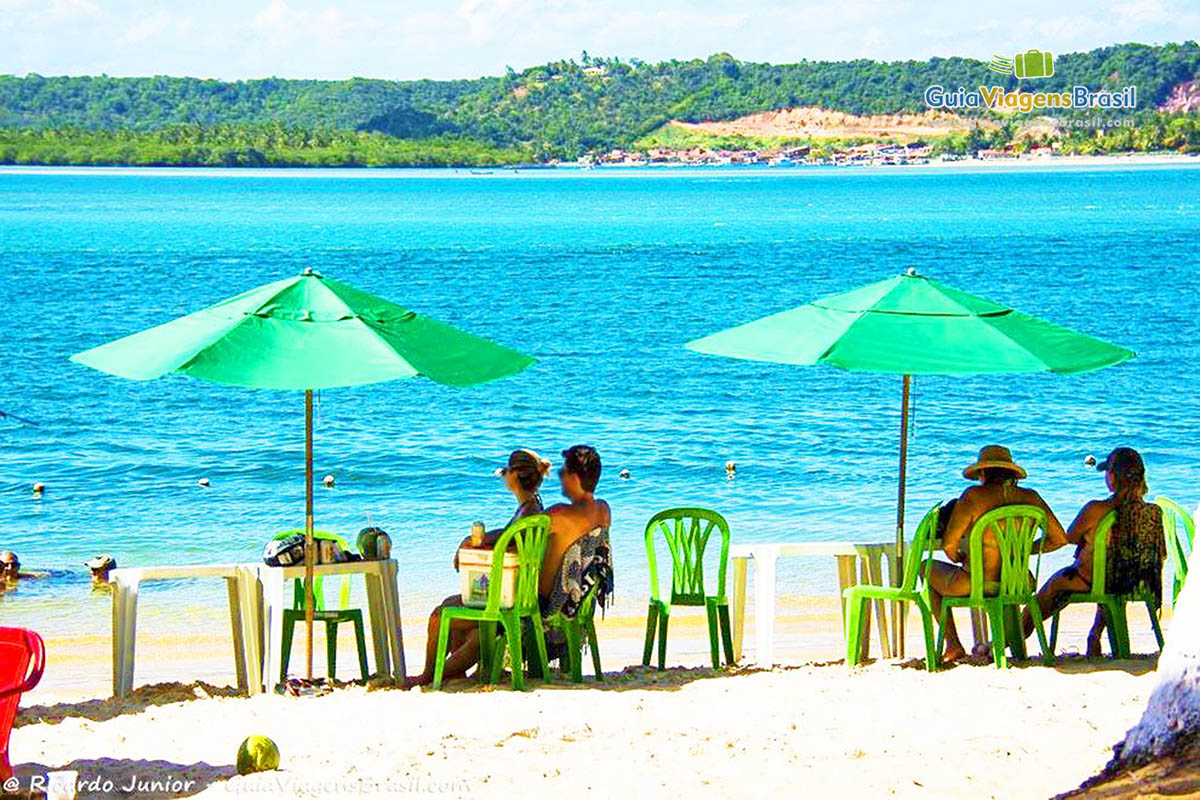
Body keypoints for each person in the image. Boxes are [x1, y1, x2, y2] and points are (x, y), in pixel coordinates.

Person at [408, 448, 551, 688]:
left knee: (438, 616)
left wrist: (471, 548)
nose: (504, 474)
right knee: (452, 607)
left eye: (506, 470)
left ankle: (427, 675)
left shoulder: (527, 513)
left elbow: (507, 548)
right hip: (518, 597)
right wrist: (475, 540)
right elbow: (505, 536)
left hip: (506, 601)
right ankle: (451, 674)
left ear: (515, 475)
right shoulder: (532, 509)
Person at [927, 445, 1067, 663]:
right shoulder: (1032, 498)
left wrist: (962, 557)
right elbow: (1059, 539)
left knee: (925, 567)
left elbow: (949, 546)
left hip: (976, 582)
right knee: (1006, 586)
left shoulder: (973, 496)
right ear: (1011, 473)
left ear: (982, 473)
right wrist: (1023, 549)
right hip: (1019, 582)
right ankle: (1015, 647)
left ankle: (953, 644)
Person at [1024, 446, 1164, 657]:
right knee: (1113, 570)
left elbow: (1066, 539)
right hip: (1137, 581)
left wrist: (1026, 549)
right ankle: (1094, 635)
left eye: (1108, 472)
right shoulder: (1153, 512)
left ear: (1113, 477)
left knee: (1053, 587)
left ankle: (1014, 637)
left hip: (1099, 581)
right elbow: (1160, 553)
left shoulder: (1096, 509)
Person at [540, 445, 614, 665]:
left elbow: (518, 537)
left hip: (550, 605)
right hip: (583, 601)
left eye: (563, 472)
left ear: (573, 477)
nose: (560, 477)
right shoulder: (603, 510)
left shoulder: (559, 514)